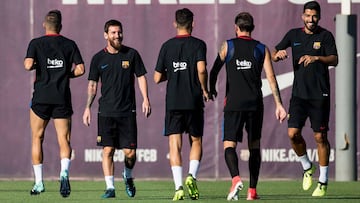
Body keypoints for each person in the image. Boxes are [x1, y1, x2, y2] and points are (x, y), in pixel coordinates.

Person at [209, 12, 287, 201]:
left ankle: (236, 179)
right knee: (254, 146)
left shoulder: (228, 46)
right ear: (252, 28)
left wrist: (210, 89)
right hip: (254, 104)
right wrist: (279, 104)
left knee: (229, 144)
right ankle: (252, 191)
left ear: (236, 28)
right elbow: (271, 78)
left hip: (234, 103)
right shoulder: (262, 48)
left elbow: (214, 70)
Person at [271, 1, 338, 197]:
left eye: (314, 16)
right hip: (299, 95)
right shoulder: (294, 35)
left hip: (320, 95)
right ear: (302, 16)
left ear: (319, 16)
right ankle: (307, 166)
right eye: (308, 16)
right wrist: (278, 55)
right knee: (292, 133)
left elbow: (335, 59)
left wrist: (317, 58)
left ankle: (323, 181)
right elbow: (274, 53)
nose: (311, 19)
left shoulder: (325, 36)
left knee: (320, 137)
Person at [82, 19, 151, 199]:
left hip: (127, 112)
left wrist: (145, 99)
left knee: (130, 153)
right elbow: (92, 85)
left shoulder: (132, 54)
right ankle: (110, 188)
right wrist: (87, 107)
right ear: (106, 35)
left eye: (119, 32)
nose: (117, 35)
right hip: (106, 112)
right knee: (108, 150)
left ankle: (127, 176)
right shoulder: (98, 58)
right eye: (113, 32)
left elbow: (141, 77)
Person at [24, 10, 85, 198]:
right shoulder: (69, 44)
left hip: (41, 97)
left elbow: (27, 65)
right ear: (60, 26)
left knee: (37, 137)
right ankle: (64, 172)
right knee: (64, 140)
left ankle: (39, 183)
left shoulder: (36, 43)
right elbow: (81, 69)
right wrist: (65, 73)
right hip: (61, 97)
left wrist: (40, 66)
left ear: (44, 25)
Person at [154, 8, 210, 201]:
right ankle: (191, 176)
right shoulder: (198, 44)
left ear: (175, 24)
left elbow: (156, 77)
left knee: (174, 145)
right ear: (192, 23)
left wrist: (175, 73)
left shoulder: (167, 46)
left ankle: (178, 187)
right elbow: (201, 70)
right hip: (193, 99)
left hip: (174, 101)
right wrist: (204, 89)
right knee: (196, 141)